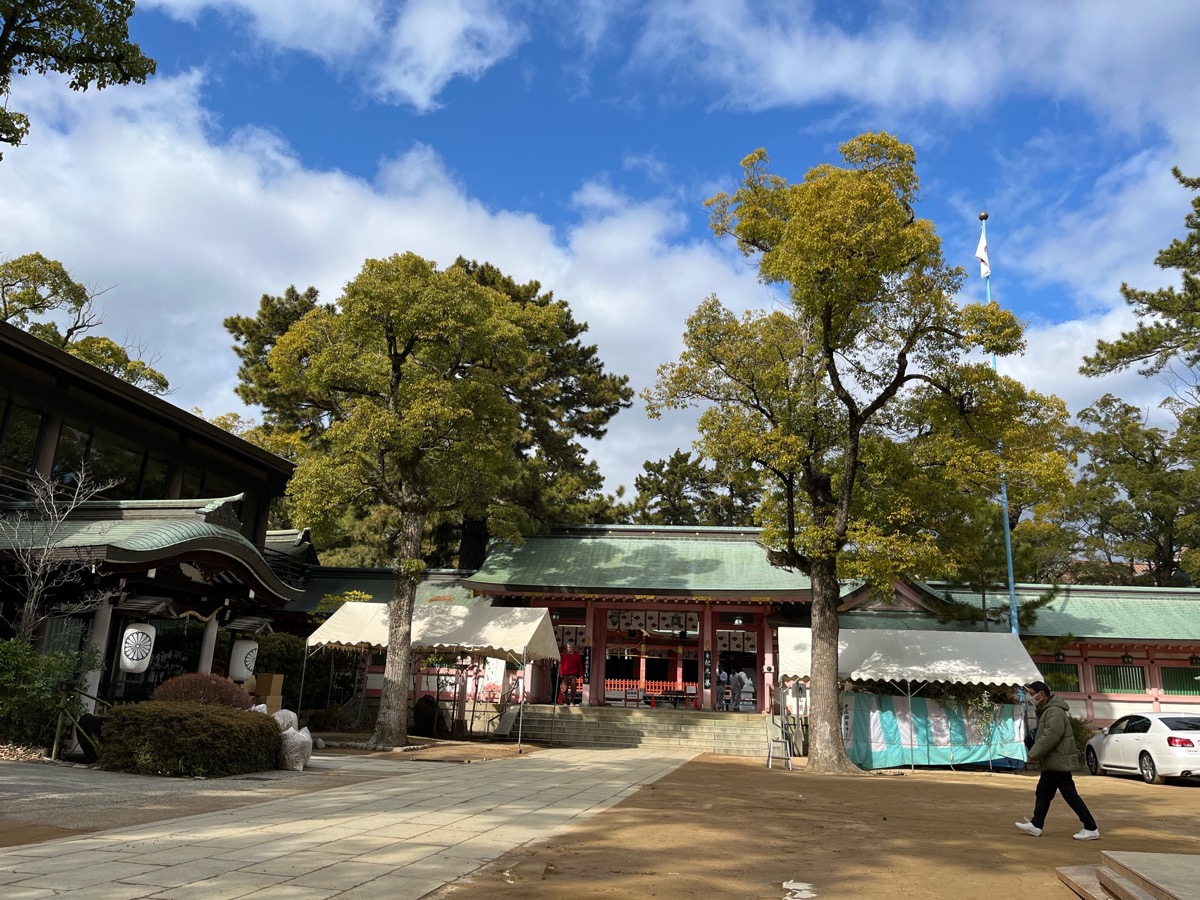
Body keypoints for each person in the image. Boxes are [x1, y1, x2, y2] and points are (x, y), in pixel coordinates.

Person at [1015, 681, 1100, 841]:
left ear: (1042, 694)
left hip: (1058, 760)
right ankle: (1036, 824)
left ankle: (1091, 827)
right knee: (1043, 792)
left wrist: (1034, 753)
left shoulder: (1054, 711)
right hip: (1053, 761)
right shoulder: (1049, 710)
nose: (1031, 697)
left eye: (1033, 693)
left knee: (1069, 794)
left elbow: (1051, 735)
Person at [559, 640, 583, 706]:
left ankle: (572, 701)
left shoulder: (576, 655)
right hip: (565, 673)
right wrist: (561, 672)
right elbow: (562, 664)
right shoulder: (564, 655)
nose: (568, 648)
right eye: (567, 647)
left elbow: (579, 665)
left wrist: (581, 674)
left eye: (569, 647)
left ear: (572, 648)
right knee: (564, 688)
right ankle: (565, 702)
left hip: (573, 674)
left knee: (573, 688)